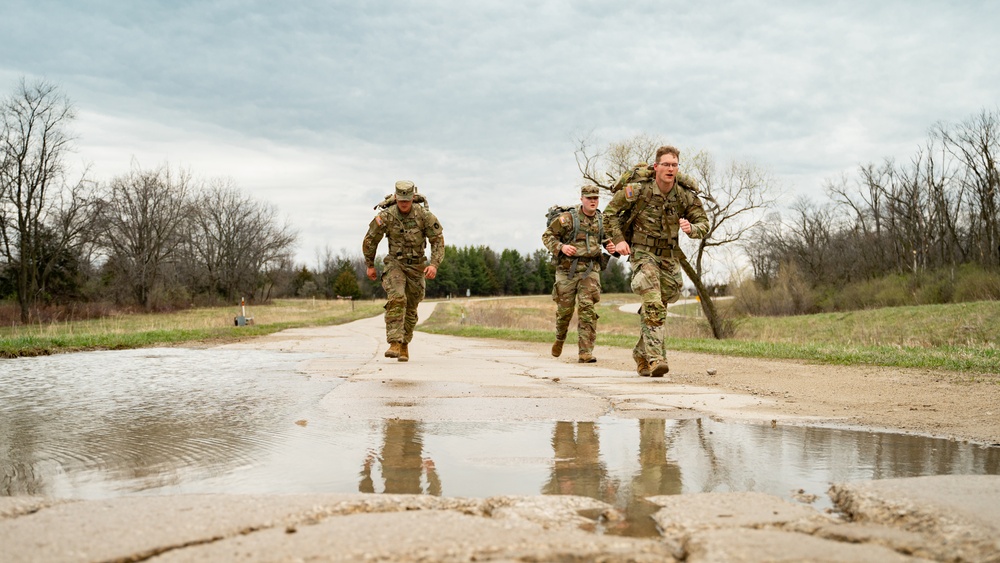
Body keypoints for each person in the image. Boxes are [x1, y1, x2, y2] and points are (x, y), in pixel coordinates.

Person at [602, 146, 709, 377]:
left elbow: (704, 223)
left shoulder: (683, 195)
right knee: (652, 299)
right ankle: (655, 358)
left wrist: (692, 229)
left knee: (663, 302)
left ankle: (641, 353)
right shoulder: (638, 190)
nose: (670, 169)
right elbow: (608, 214)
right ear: (656, 167)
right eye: (666, 164)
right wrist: (619, 240)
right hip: (642, 253)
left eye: (674, 165)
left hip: (669, 255)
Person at [363, 180, 445, 362]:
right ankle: (394, 342)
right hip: (395, 264)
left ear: (413, 198)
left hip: (417, 266)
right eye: (401, 201)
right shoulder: (387, 216)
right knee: (397, 298)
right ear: (396, 198)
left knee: (412, 307)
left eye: (407, 201)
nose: (404, 204)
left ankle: (404, 343)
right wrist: (370, 264)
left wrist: (434, 264)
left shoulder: (424, 216)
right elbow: (370, 239)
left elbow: (438, 240)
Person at [542, 185, 616, 363]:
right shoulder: (567, 219)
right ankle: (560, 338)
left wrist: (610, 246)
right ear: (582, 198)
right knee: (565, 311)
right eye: (589, 198)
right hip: (567, 271)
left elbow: (606, 238)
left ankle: (585, 352)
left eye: (595, 198)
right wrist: (561, 247)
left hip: (590, 270)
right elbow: (548, 236)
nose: (593, 201)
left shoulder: (601, 220)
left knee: (587, 310)